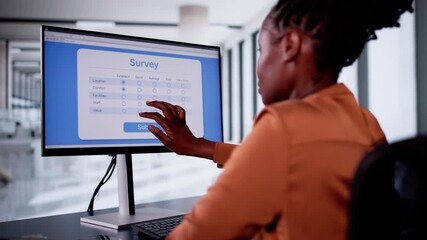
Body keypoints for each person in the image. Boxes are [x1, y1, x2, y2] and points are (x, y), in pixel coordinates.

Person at [139, 0, 413, 239]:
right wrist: (202, 146)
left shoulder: (284, 125)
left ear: (290, 45)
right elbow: (296, 163)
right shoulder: (365, 121)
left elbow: (199, 234)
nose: (258, 66)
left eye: (260, 50)